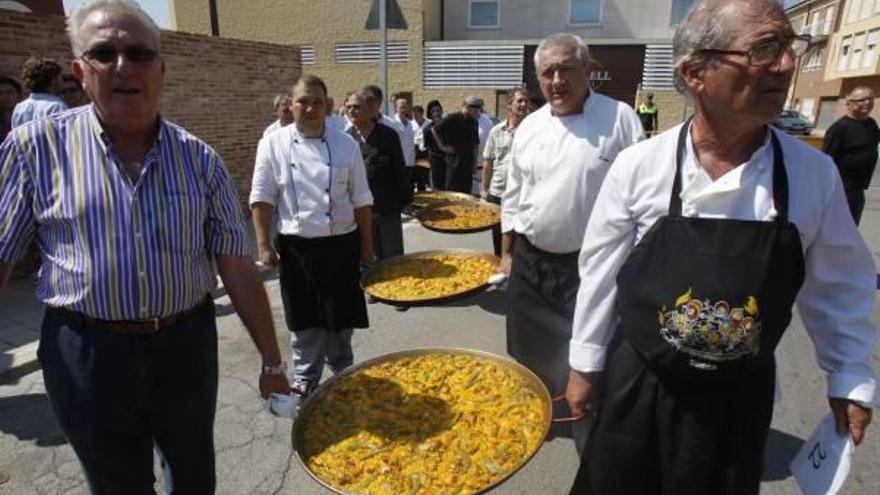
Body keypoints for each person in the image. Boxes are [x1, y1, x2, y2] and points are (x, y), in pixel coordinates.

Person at [565, 1, 875, 493]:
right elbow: (601, 271)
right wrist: (584, 363)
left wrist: (850, 377)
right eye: (763, 49)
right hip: (639, 387)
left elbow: (840, 284)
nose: (788, 64)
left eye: (790, 47)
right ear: (695, 74)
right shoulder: (639, 166)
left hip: (738, 399)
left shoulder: (812, 175)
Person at [0, 1, 291, 491]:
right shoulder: (33, 148)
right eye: (103, 53)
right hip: (86, 352)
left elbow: (237, 268)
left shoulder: (201, 160)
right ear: (79, 71)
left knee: (194, 475)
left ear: (160, 68)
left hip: (184, 347)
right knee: (117, 484)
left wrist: (271, 360)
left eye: (138, 53)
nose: (123, 67)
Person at [500, 32, 643, 451]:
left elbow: (640, 196)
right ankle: (541, 415)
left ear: (587, 70)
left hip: (592, 266)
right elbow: (513, 192)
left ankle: (590, 427)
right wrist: (506, 253)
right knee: (529, 350)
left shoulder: (620, 119)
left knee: (588, 354)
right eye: (548, 73)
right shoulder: (529, 126)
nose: (557, 80)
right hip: (530, 260)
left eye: (566, 69)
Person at [251, 75, 374, 395]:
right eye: (303, 101)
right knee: (305, 323)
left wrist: (366, 249)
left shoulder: (346, 144)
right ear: (290, 105)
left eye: (317, 101)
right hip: (297, 250)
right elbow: (262, 198)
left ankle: (343, 373)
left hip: (341, 247)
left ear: (327, 105)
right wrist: (264, 245)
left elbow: (362, 200)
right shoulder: (272, 144)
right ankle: (306, 383)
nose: (310, 108)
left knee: (341, 319)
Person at [345, 90, 412, 263]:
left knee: (393, 256)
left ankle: (398, 288)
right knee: (369, 257)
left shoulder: (388, 135)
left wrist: (406, 201)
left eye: (357, 107)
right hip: (359, 210)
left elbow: (400, 169)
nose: (352, 111)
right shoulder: (346, 139)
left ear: (370, 109)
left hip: (387, 207)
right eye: (349, 107)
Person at [822, 86, 880, 225]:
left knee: (851, 230)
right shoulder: (839, 129)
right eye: (862, 99)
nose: (867, 102)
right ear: (849, 104)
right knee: (836, 229)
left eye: (870, 99)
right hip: (840, 190)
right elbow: (826, 161)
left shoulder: (871, 124)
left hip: (858, 190)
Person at [481, 87, 529, 256]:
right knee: (498, 236)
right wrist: (484, 191)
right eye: (519, 101)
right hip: (498, 192)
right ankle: (501, 271)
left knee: (521, 237)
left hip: (523, 194)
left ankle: (517, 275)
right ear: (509, 105)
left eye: (526, 101)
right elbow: (488, 162)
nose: (524, 104)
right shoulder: (496, 131)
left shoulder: (533, 131)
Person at [432, 96, 481, 193]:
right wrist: (443, 147)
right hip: (454, 164)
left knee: (466, 193)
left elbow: (475, 144)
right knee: (452, 193)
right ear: (467, 107)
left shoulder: (474, 122)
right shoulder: (453, 118)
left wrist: (475, 163)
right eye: (475, 108)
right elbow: (434, 129)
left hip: (467, 165)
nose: (477, 111)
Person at [11, 56, 67, 127]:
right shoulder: (56, 106)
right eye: (61, 78)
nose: (63, 82)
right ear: (53, 80)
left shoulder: (20, 107)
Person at [421, 100, 446, 190]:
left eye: (438, 110)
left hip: (449, 163)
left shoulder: (449, 126)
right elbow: (428, 147)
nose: (436, 113)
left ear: (442, 111)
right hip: (435, 164)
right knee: (437, 189)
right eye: (433, 111)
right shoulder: (427, 130)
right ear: (430, 114)